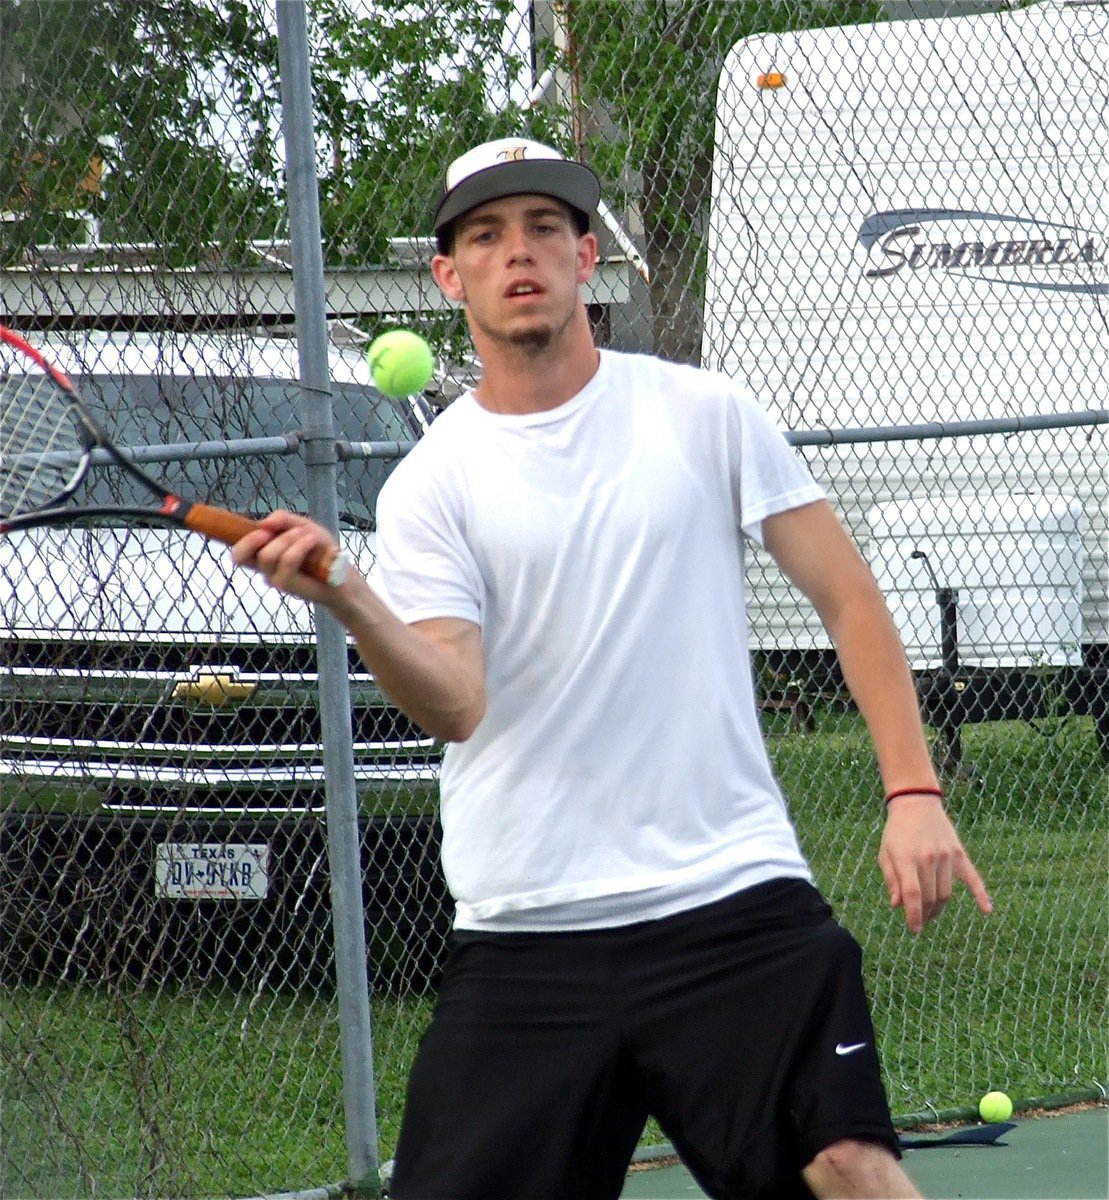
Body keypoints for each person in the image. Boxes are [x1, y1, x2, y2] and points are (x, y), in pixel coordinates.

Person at [231, 137, 993, 1200]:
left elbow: (847, 598)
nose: (519, 252)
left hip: (728, 898)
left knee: (846, 1164)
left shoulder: (703, 412)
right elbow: (453, 700)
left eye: (544, 226)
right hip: (525, 929)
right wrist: (349, 592)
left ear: (586, 255)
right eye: (486, 236)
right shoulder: (431, 485)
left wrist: (912, 792)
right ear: (449, 278)